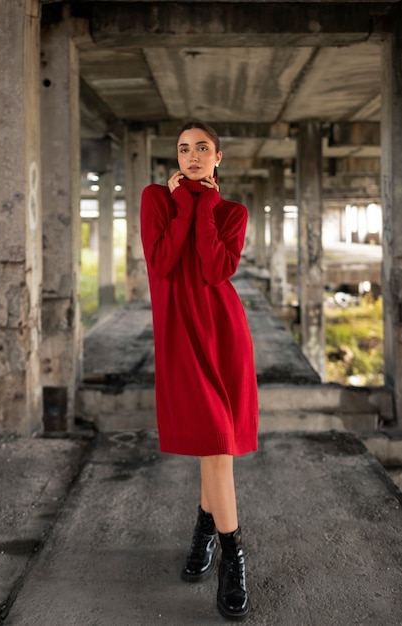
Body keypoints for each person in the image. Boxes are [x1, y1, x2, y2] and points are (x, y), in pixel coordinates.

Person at [140, 120, 258, 621]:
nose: (192, 155)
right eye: (184, 148)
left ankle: (223, 552)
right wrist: (186, 205)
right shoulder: (154, 200)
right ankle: (215, 540)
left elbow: (214, 270)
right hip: (179, 337)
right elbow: (162, 263)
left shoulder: (232, 211)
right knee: (212, 442)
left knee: (217, 447)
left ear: (218, 157)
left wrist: (204, 205)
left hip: (223, 335)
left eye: (202, 148)